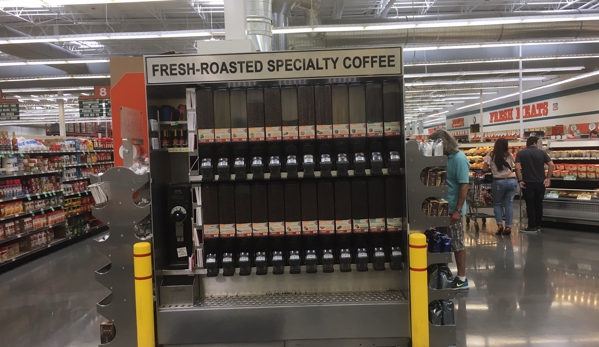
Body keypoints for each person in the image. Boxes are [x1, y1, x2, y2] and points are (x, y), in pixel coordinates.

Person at [429, 129, 470, 290]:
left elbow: (464, 185)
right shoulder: (442, 158)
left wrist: (457, 210)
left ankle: (462, 278)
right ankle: (444, 274)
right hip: (440, 209)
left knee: (457, 244)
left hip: (453, 210)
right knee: (442, 244)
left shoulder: (459, 159)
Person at [515, 137, 555, 232]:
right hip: (540, 183)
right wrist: (548, 178)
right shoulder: (542, 153)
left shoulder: (521, 153)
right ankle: (538, 225)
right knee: (538, 204)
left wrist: (520, 180)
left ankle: (531, 226)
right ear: (535, 143)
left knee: (530, 205)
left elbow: (517, 168)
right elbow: (551, 165)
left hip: (527, 183)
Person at [483, 138, 518, 236]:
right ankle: (509, 226)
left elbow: (484, 169)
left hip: (499, 182)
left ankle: (500, 225)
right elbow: (515, 165)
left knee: (497, 204)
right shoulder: (509, 155)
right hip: (512, 181)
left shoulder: (491, 155)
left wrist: (492, 168)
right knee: (509, 204)